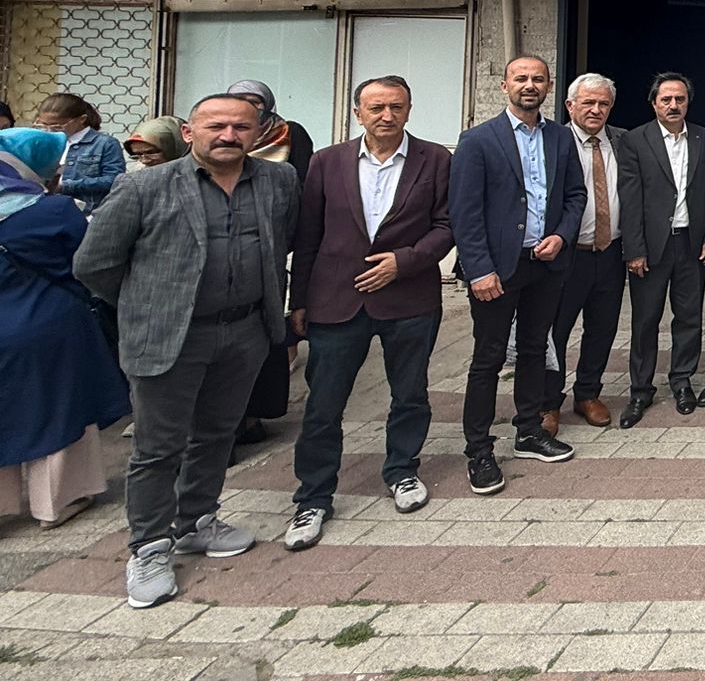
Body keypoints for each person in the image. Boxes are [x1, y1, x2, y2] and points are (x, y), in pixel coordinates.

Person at [73, 94, 298, 609]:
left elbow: (279, 244)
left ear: (258, 133)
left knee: (218, 433)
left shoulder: (277, 181)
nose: (228, 135)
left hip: (243, 331)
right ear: (190, 132)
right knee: (157, 447)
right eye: (215, 125)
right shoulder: (143, 185)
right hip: (171, 335)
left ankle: (196, 519)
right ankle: (149, 546)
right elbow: (94, 265)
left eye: (241, 127)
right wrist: (150, 305)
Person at [282, 75, 453, 552]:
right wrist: (299, 302)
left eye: (396, 106)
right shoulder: (326, 162)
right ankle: (313, 496)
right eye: (376, 107)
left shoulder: (436, 159)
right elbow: (308, 237)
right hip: (337, 300)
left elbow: (447, 224)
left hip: (409, 298)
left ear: (409, 109)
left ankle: (402, 471)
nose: (386, 115)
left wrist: (408, 261)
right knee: (323, 405)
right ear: (358, 112)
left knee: (411, 393)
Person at [449, 55, 585, 496]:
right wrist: (479, 269)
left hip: (544, 264)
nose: (530, 85)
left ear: (549, 86)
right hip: (496, 269)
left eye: (538, 79)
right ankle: (479, 450)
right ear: (505, 84)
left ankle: (528, 430)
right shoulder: (477, 140)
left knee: (533, 349)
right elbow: (464, 213)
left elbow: (575, 195)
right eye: (521, 78)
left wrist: (563, 237)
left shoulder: (561, 138)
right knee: (488, 358)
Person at [0, 129, 129, 530]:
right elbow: (88, 263)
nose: (59, 170)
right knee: (60, 407)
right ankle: (57, 502)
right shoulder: (52, 211)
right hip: (46, 323)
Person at [617, 72, 705, 427]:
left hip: (691, 243)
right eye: (667, 100)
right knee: (646, 320)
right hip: (651, 247)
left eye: (680, 99)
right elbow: (629, 199)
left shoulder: (703, 138)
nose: (673, 105)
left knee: (689, 316)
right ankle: (640, 389)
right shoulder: (634, 141)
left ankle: (681, 381)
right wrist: (634, 249)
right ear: (654, 103)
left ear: (688, 103)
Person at [224, 79, 312, 446]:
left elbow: (302, 193)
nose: (248, 108)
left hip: (270, 251)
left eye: (254, 102)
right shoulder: (218, 143)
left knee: (262, 334)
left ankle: (254, 416)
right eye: (239, 101)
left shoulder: (289, 137)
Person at [547, 73, 627, 430]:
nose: (596, 110)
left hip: (610, 252)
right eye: (588, 103)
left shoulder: (622, 141)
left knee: (602, 327)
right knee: (556, 330)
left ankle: (588, 393)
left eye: (603, 104)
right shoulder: (552, 141)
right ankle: (548, 402)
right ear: (570, 106)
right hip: (568, 255)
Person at [34, 94, 125, 216]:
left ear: (81, 119)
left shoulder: (105, 143)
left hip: (87, 213)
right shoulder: (40, 140)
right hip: (46, 210)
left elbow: (115, 180)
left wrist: (66, 185)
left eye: (57, 126)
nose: (49, 131)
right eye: (43, 125)